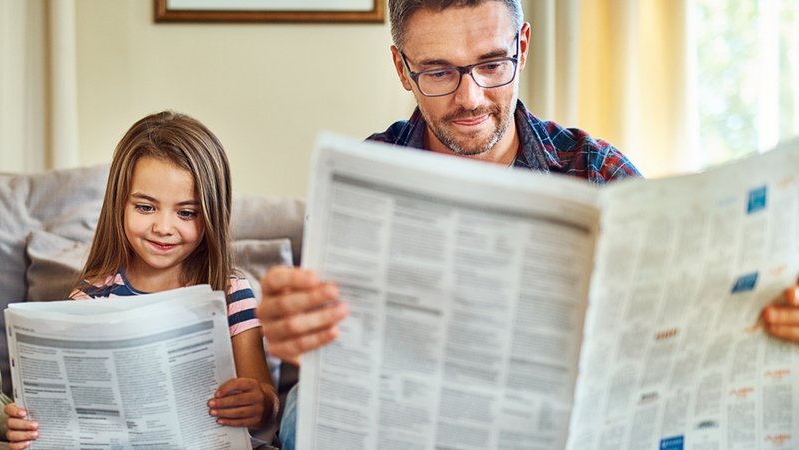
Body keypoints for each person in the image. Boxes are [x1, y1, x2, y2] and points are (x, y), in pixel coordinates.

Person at [260, 0, 799, 447]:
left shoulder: (593, 167)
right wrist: (293, 332)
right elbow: (322, 351)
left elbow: (689, 304)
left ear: (522, 45)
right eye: (440, 72)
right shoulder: (362, 178)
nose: (470, 99)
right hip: (414, 417)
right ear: (403, 68)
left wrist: (773, 308)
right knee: (302, 412)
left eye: (492, 64)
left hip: (563, 417)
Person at [3, 111, 279, 449]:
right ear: (119, 205)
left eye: (186, 213)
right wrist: (27, 427)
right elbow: (69, 414)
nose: (163, 227)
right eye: (146, 208)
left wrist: (260, 403)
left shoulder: (231, 292)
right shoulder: (91, 300)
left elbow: (267, 406)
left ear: (211, 215)